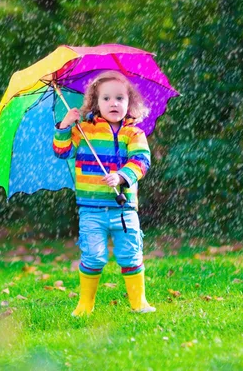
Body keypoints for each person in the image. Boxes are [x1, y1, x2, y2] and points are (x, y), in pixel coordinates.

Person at [53, 70, 155, 315]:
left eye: (120, 98)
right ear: (95, 103)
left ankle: (138, 302)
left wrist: (122, 176)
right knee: (94, 257)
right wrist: (65, 126)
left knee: (131, 254)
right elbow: (62, 151)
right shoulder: (84, 131)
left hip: (124, 209)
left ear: (129, 103)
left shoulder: (134, 133)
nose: (113, 103)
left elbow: (142, 161)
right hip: (91, 209)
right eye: (106, 98)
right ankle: (85, 304)